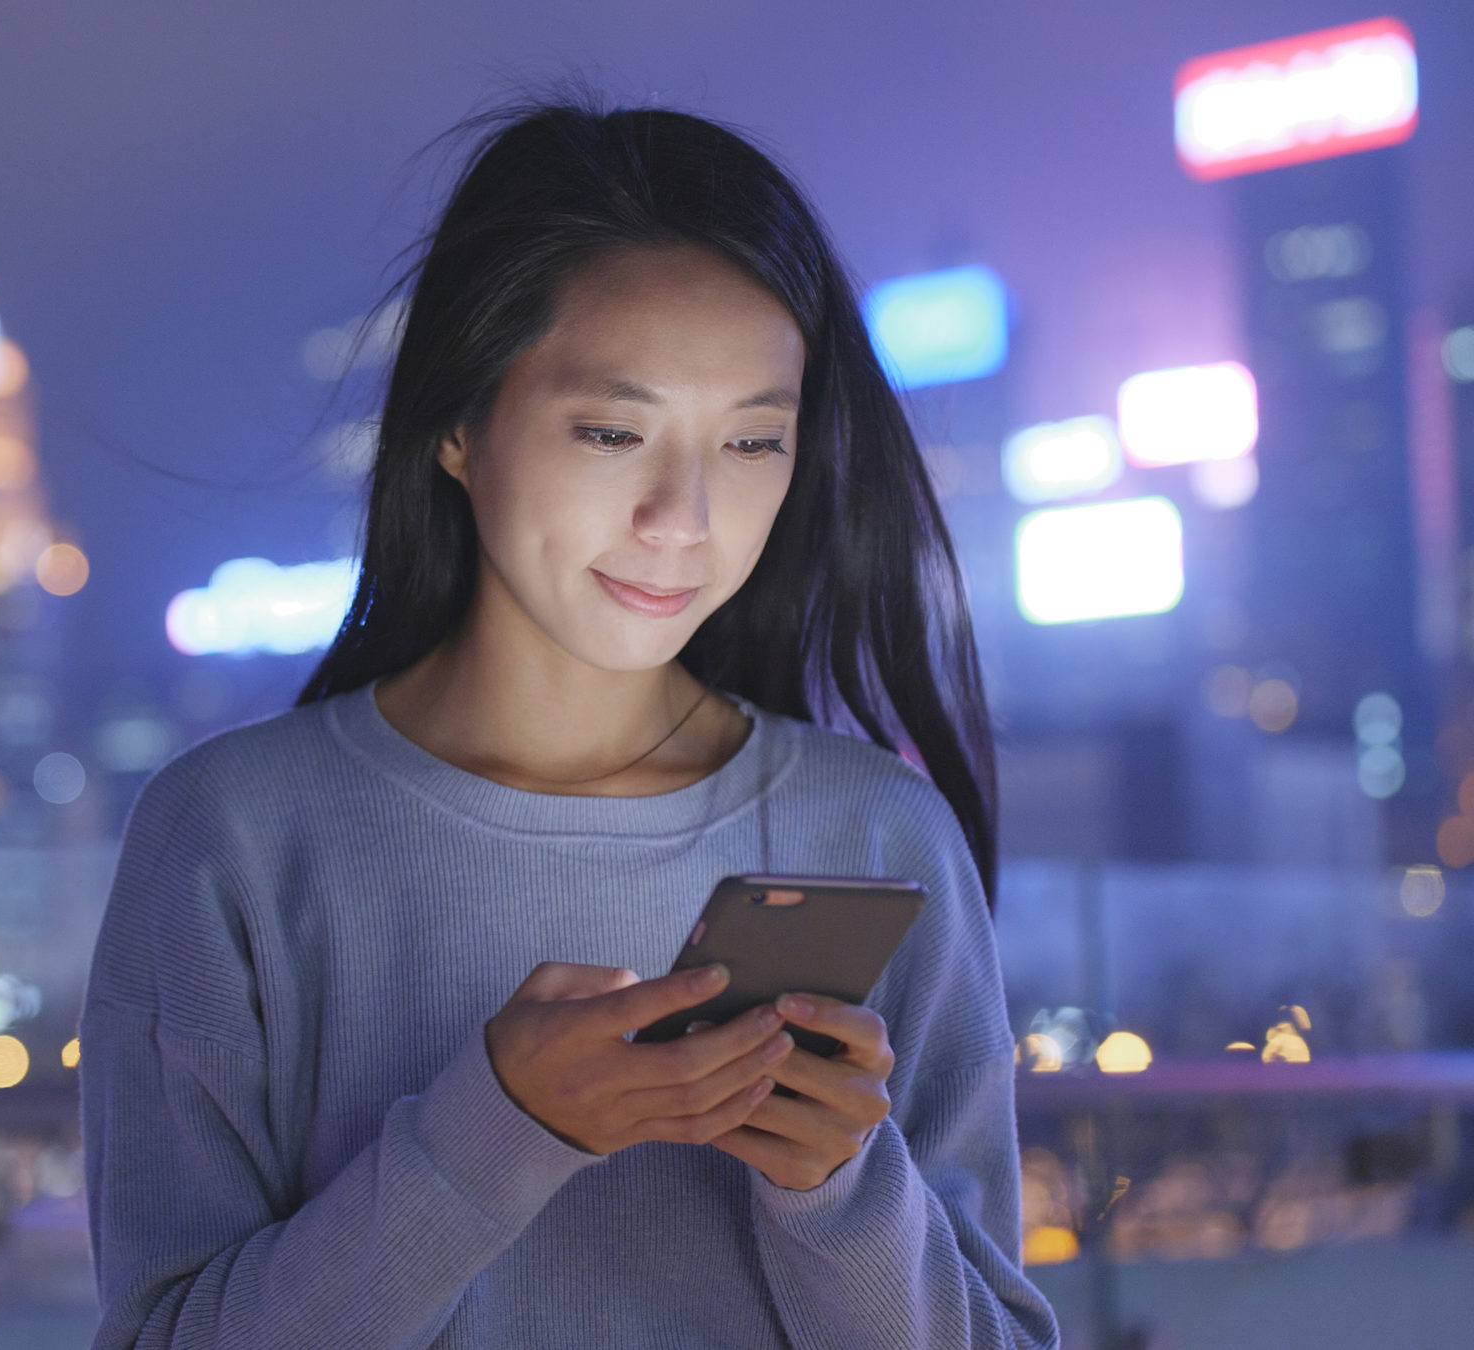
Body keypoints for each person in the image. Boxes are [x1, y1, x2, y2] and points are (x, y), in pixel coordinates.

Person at [77, 102, 1059, 1348]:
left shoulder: (870, 830)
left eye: (752, 441)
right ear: (454, 422)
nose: (682, 516)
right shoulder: (233, 837)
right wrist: (493, 1134)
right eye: (611, 431)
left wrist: (836, 1189)